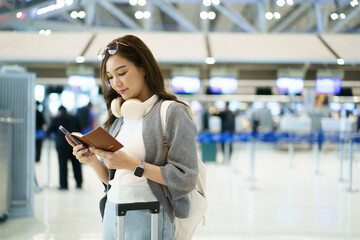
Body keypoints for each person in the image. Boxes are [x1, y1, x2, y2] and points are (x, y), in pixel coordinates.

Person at [66, 35, 198, 240]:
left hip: (151, 215)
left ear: (143, 68)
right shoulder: (119, 117)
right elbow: (114, 180)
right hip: (112, 213)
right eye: (110, 77)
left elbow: (185, 178)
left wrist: (132, 164)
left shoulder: (172, 112)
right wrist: (92, 160)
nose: (116, 83)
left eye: (122, 73)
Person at [46, 106, 83, 190]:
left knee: (62, 165)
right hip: (75, 144)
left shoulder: (56, 119)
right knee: (76, 164)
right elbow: (80, 129)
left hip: (61, 145)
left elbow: (48, 131)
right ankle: (79, 183)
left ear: (59, 111)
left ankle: (63, 185)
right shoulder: (74, 118)